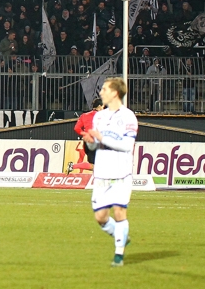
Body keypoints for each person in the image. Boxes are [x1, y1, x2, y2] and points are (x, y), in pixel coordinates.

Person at [83, 77, 137, 267]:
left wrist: (102, 137)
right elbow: (94, 144)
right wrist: (90, 140)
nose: (101, 92)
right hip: (102, 173)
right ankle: (120, 235)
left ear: (115, 92)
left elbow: (127, 145)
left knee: (120, 211)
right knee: (101, 217)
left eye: (104, 89)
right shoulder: (99, 117)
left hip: (121, 173)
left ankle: (119, 255)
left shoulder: (128, 116)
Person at [69, 97, 103, 172]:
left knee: (94, 166)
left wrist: (85, 134)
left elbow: (76, 128)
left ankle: (73, 166)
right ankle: (73, 166)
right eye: (103, 107)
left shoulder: (84, 115)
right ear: (99, 106)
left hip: (87, 143)